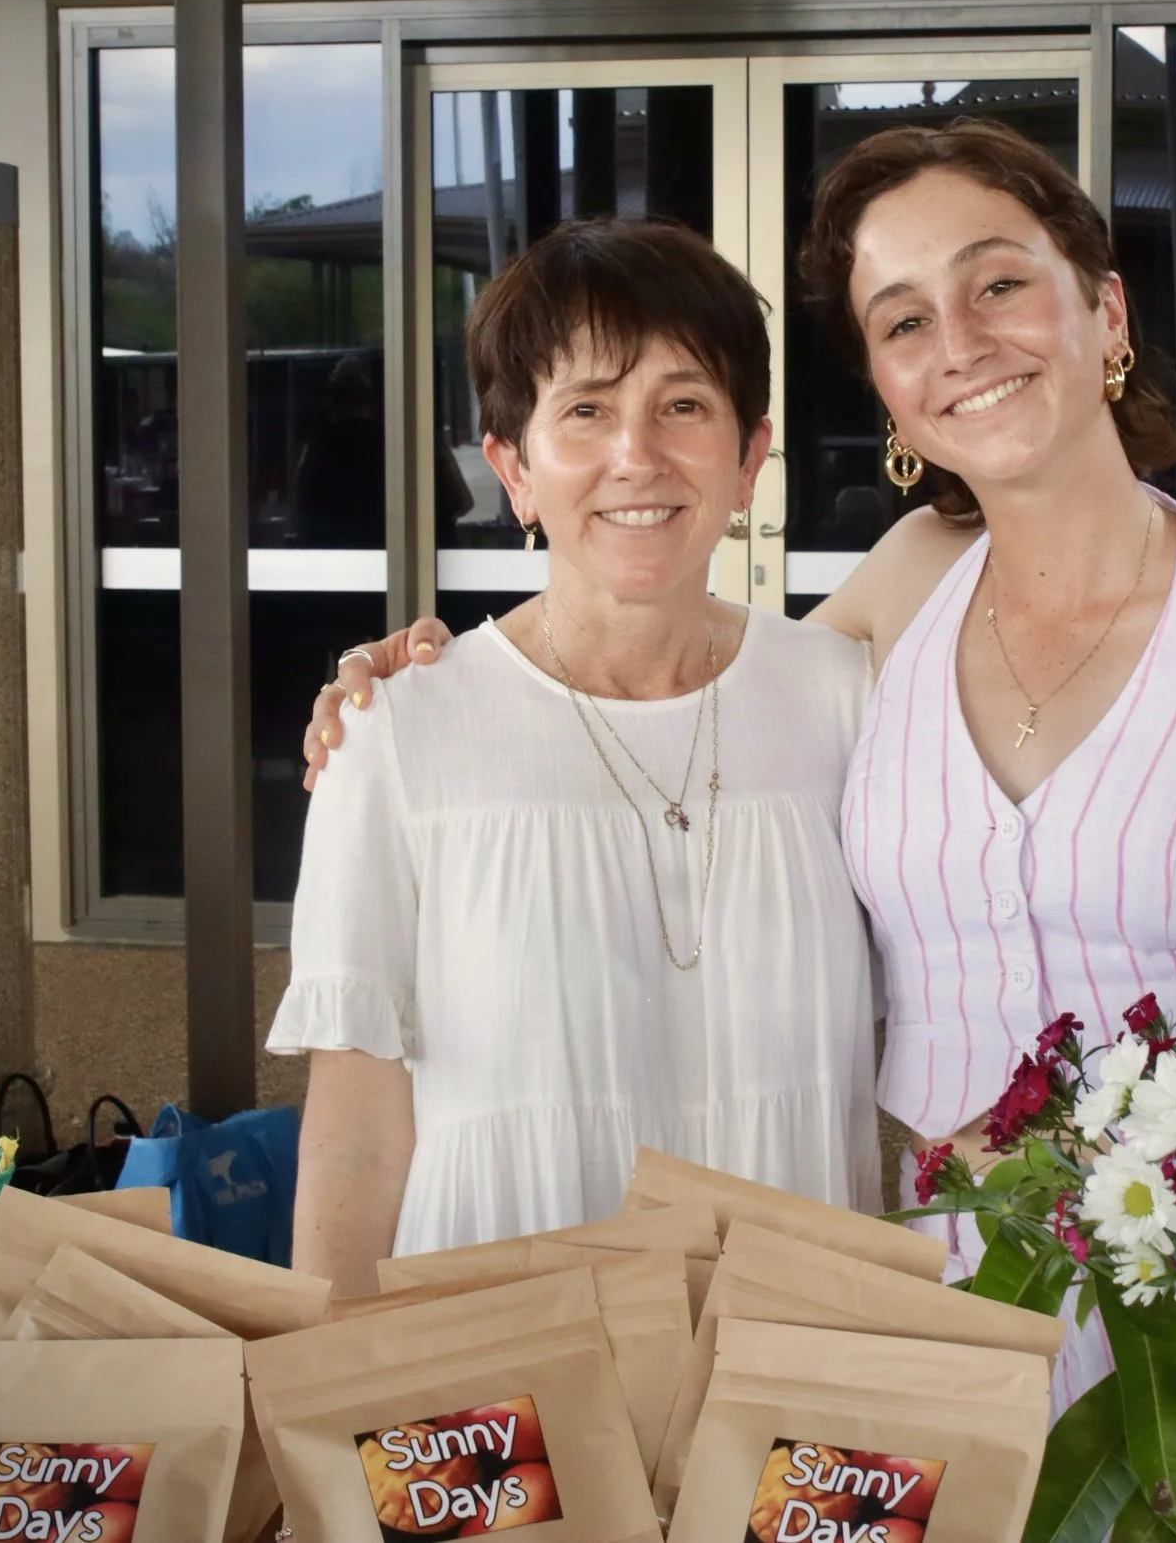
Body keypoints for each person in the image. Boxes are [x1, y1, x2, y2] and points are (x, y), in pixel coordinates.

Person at [306, 124, 1176, 1324]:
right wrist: (432, 683)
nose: (959, 344)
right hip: (918, 1323)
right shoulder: (902, 594)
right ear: (888, 390)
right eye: (903, 321)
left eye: (997, 284)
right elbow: (672, 673)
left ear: (1106, 311)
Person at [274, 219, 878, 1296]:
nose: (636, 456)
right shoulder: (403, 733)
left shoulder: (845, 702)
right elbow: (356, 1131)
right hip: (506, 1356)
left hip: (791, 1350)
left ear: (749, 457)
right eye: (587, 410)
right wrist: (328, 1375)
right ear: (513, 467)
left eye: (683, 405)